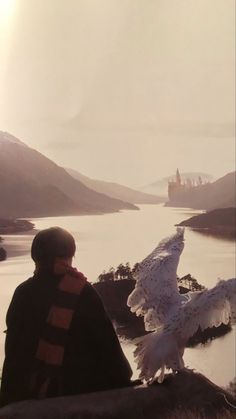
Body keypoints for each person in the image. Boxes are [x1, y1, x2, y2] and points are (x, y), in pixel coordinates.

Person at [0, 227, 132, 406]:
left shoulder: (23, 293)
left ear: (36, 257)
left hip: (31, 398)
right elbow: (111, 355)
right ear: (70, 256)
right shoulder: (83, 292)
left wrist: (8, 401)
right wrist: (125, 381)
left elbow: (14, 357)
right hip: (81, 398)